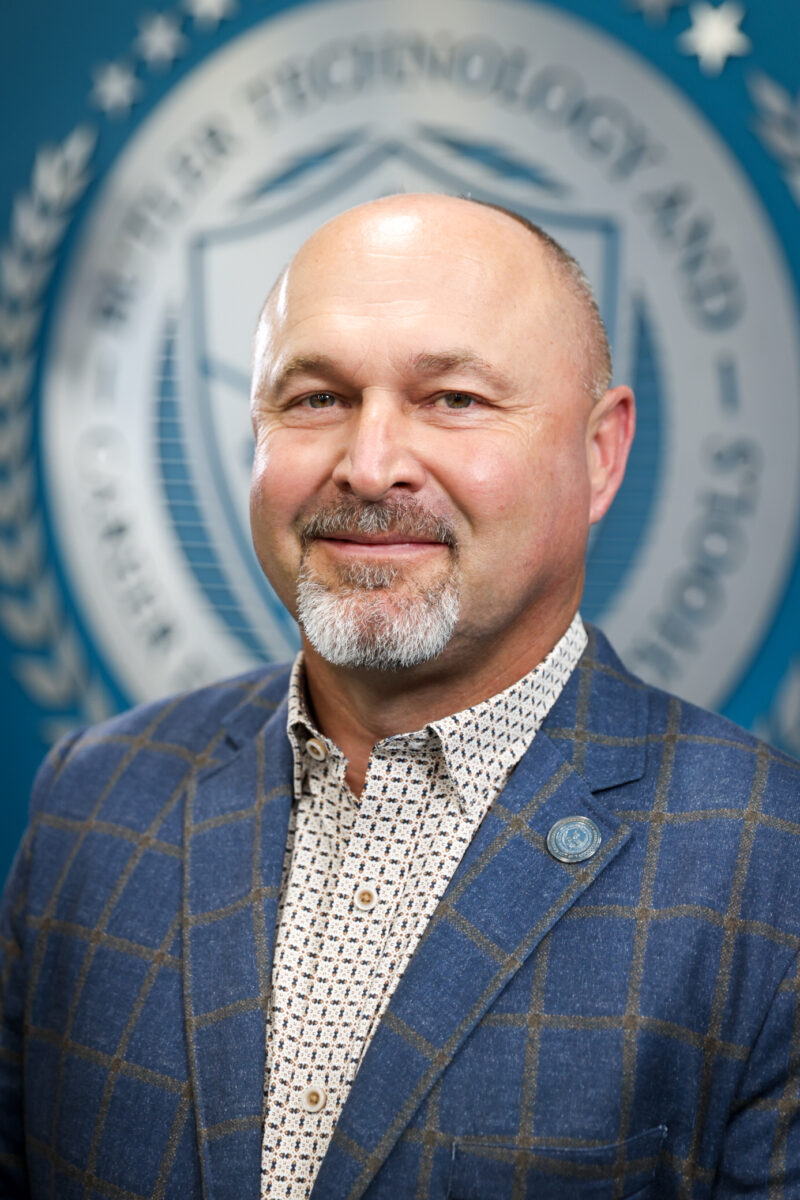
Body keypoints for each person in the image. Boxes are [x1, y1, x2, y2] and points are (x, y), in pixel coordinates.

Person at [1, 194, 798, 1200]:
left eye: (453, 399)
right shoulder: (93, 799)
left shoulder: (771, 869)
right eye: (315, 399)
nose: (370, 463)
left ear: (598, 453)